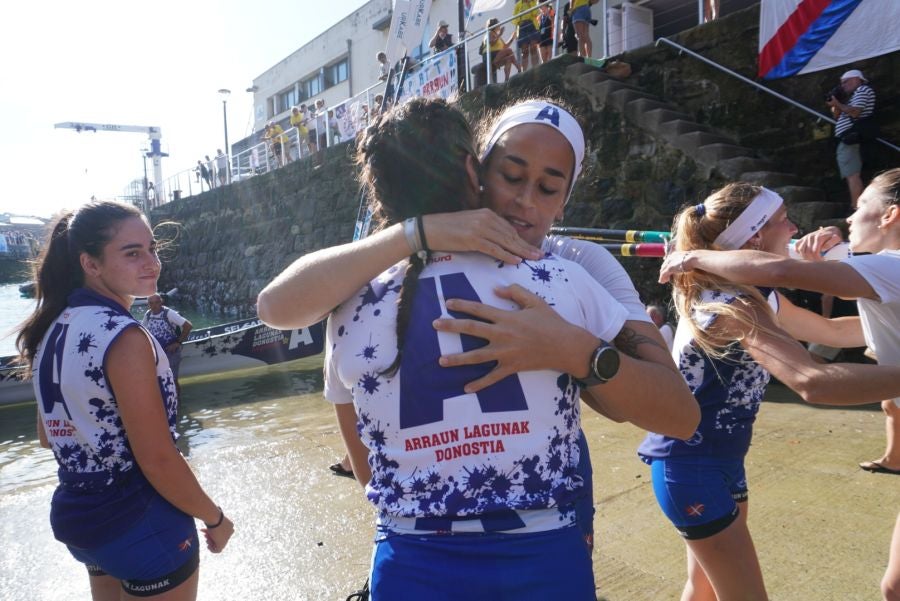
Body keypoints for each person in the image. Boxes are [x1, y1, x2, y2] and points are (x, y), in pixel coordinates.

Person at [258, 98, 700, 556]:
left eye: (548, 188)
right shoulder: (388, 267)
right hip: (511, 531)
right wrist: (417, 233)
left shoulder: (579, 263)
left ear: (566, 198)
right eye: (510, 176)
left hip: (507, 516)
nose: (524, 201)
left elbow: (675, 413)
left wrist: (573, 350)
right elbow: (274, 305)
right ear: (477, 169)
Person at [650, 182, 900, 601]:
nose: (797, 227)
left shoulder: (757, 297)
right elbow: (810, 381)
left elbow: (829, 330)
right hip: (692, 466)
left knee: (703, 589)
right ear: (756, 238)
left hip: (720, 462)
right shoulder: (734, 305)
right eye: (785, 221)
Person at [16, 200, 233, 600]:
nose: (151, 262)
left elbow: (50, 436)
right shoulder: (124, 337)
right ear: (91, 264)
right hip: (140, 521)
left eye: (152, 248)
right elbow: (157, 458)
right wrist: (214, 517)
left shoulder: (50, 330)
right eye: (132, 253)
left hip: (80, 519)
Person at [828, 69, 876, 209]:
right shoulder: (853, 96)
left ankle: (856, 207)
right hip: (848, 137)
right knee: (852, 174)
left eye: (845, 82)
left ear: (856, 79)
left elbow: (855, 112)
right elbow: (837, 117)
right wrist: (835, 105)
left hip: (851, 137)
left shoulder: (862, 90)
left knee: (852, 174)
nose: (843, 86)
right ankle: (858, 206)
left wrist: (838, 104)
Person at [142, 293, 193, 396]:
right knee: (158, 380)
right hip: (156, 353)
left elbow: (188, 326)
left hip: (171, 352)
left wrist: (178, 343)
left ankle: (178, 405)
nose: (154, 306)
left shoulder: (169, 313)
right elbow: (143, 331)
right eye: (151, 303)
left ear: (161, 302)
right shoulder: (148, 314)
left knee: (172, 380)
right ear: (148, 304)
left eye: (157, 303)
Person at [513, 0, 540, 71]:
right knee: (524, 52)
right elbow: (514, 19)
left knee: (533, 48)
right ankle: (524, 72)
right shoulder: (518, 4)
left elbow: (535, 13)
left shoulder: (533, 2)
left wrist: (529, 4)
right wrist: (519, 18)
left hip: (532, 25)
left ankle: (536, 69)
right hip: (522, 27)